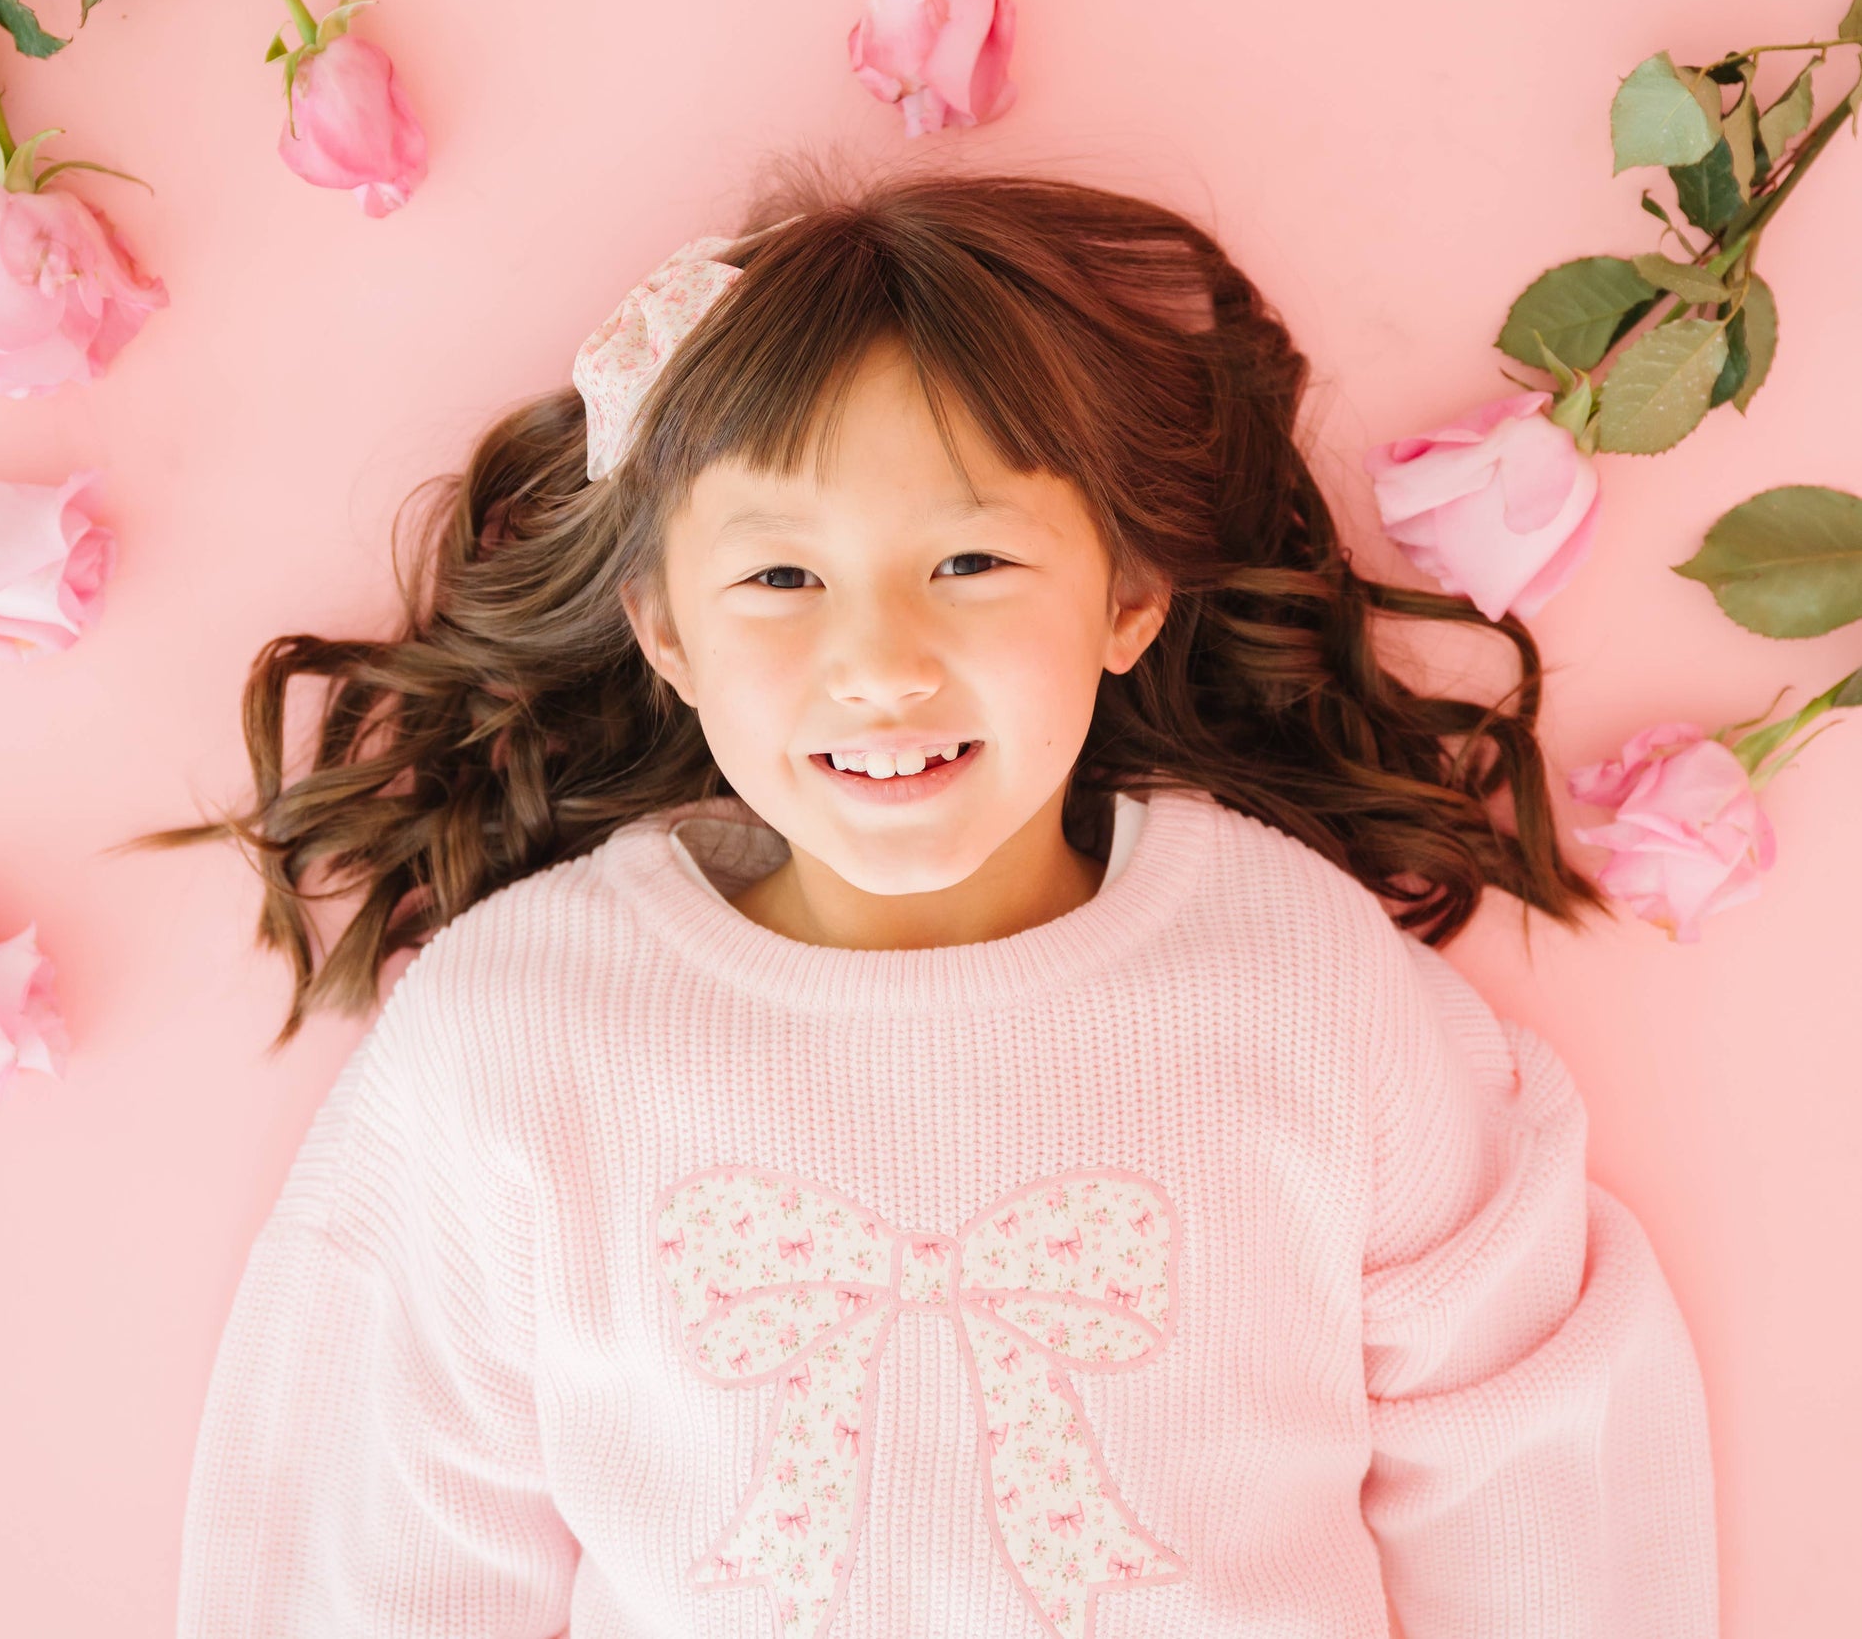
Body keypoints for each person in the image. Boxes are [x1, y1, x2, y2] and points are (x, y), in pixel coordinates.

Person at [156, 160, 1718, 1637]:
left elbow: (1531, 1459)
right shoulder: (514, 1038)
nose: (881, 661)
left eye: (968, 560)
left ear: (1123, 593)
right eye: (779, 577)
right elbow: (367, 1552)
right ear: (665, 632)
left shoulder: (1297, 978)